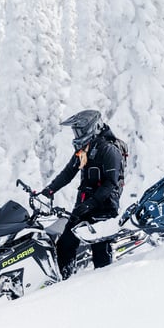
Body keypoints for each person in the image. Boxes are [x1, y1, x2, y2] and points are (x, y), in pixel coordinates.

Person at [38, 109, 125, 279]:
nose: (76, 134)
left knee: (100, 250)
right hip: (84, 207)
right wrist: (48, 191)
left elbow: (110, 184)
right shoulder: (84, 150)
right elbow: (67, 174)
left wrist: (90, 203)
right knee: (65, 244)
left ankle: (104, 287)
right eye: (75, 131)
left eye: (79, 130)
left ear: (91, 128)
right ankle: (62, 282)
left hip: (104, 208)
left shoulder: (109, 150)